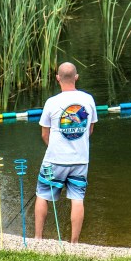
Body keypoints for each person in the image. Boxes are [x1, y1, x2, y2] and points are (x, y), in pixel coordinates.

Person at [34, 62, 97, 243]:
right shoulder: (88, 99)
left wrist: (55, 147)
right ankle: (74, 243)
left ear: (57, 78)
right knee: (77, 199)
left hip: (54, 160)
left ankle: (37, 238)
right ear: (76, 77)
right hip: (80, 160)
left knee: (43, 195)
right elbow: (90, 130)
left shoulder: (51, 102)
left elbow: (44, 134)